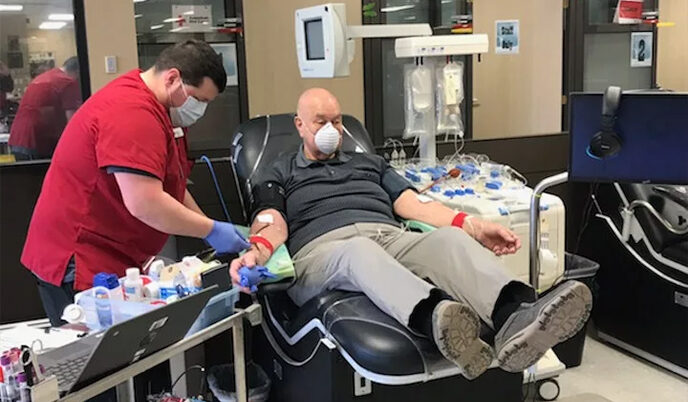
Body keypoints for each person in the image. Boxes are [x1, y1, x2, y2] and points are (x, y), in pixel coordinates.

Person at [230, 88, 592, 379]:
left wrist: (470, 225)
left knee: (447, 241)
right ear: (299, 125)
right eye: (320, 121)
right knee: (357, 251)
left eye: (337, 121)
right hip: (323, 253)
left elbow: (411, 204)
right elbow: (271, 219)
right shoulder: (279, 171)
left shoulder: (369, 163)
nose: (332, 129)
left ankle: (517, 317)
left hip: (388, 238)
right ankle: (441, 320)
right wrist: (257, 252)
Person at [22, 40, 250, 326]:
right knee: (98, 366)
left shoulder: (163, 110)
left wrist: (206, 228)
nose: (200, 110)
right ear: (172, 78)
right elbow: (145, 202)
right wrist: (211, 229)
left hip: (114, 253)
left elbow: (172, 184)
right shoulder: (132, 112)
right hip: (79, 258)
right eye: (199, 100)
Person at [8, 57, 81, 160]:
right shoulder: (67, 82)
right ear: (78, 72)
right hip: (38, 142)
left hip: (18, 139)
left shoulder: (45, 77)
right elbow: (73, 122)